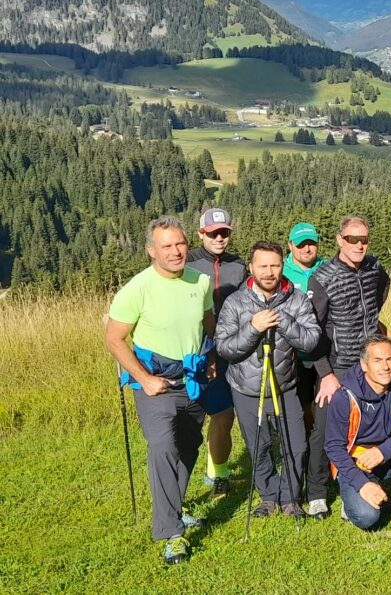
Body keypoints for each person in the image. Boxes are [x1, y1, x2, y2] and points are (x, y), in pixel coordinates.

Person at [104, 216, 216, 565]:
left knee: (190, 445)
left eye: (180, 243)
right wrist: (144, 377)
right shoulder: (137, 288)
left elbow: (207, 321)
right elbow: (114, 338)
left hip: (192, 379)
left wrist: (210, 356)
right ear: (151, 250)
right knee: (163, 446)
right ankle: (172, 534)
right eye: (166, 245)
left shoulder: (201, 280)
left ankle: (175, 507)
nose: (175, 251)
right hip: (154, 383)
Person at [215, 241, 320, 519]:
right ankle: (268, 497)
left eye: (274, 265)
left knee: (296, 445)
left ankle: (291, 498)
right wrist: (253, 328)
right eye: (262, 266)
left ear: (282, 266)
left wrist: (283, 321)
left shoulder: (296, 300)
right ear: (251, 267)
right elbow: (224, 348)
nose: (269, 272)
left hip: (285, 386)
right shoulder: (236, 302)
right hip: (246, 389)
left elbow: (311, 340)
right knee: (259, 447)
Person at [305, 216, 391, 520]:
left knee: (367, 428)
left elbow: (381, 293)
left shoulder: (374, 268)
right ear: (340, 240)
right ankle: (316, 492)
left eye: (364, 239)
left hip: (368, 363)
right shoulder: (324, 276)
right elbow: (311, 329)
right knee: (325, 427)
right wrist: (325, 374)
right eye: (352, 239)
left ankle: (353, 486)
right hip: (338, 366)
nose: (359, 245)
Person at [324, 334, 391, 531]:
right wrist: (361, 484)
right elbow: (333, 447)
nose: (385, 367)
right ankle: (352, 497)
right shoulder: (343, 396)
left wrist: (384, 451)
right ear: (364, 365)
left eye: (389, 359)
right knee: (367, 518)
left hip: (387, 455)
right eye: (377, 360)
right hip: (356, 463)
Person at [187, 207, 246, 498]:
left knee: (224, 416)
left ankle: (218, 474)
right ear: (201, 234)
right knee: (192, 420)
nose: (219, 238)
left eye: (224, 233)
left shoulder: (238, 265)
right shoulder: (187, 262)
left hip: (232, 349)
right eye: (213, 233)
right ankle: (184, 477)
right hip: (196, 351)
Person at [281, 221, 328, 513]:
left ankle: (318, 480)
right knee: (297, 417)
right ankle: (293, 477)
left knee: (322, 419)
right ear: (290, 247)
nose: (307, 248)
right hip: (291, 359)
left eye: (311, 242)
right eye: (300, 244)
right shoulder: (281, 272)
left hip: (324, 357)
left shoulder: (327, 270)